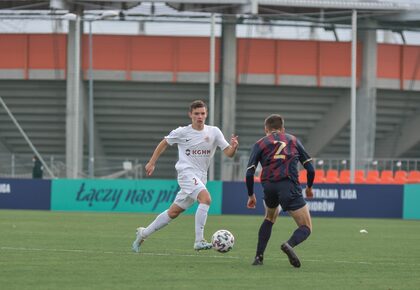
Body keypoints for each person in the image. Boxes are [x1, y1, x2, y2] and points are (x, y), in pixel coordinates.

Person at [132, 100, 239, 253]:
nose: (200, 117)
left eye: (202, 113)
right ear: (190, 115)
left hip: (201, 177)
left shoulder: (214, 132)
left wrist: (233, 147)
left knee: (173, 212)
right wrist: (152, 162)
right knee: (206, 199)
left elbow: (228, 153)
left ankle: (143, 234)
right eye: (196, 114)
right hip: (186, 173)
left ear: (206, 114)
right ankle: (199, 240)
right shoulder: (182, 132)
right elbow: (164, 143)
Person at [245, 114, 315, 268]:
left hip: (269, 186)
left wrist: (251, 195)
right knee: (306, 227)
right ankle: (289, 244)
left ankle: (258, 257)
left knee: (269, 218)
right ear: (283, 129)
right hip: (288, 185)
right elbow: (310, 168)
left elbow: (249, 173)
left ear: (266, 129)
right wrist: (309, 187)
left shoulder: (260, 143)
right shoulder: (293, 140)